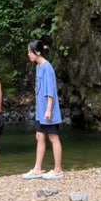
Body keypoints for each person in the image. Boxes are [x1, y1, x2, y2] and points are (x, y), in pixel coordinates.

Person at [22, 39, 64, 179]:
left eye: (30, 52)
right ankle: (37, 169)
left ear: (38, 52)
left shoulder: (47, 67)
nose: (28, 54)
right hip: (41, 111)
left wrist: (48, 110)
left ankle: (58, 170)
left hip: (48, 110)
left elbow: (50, 90)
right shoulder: (38, 67)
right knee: (40, 136)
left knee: (53, 137)